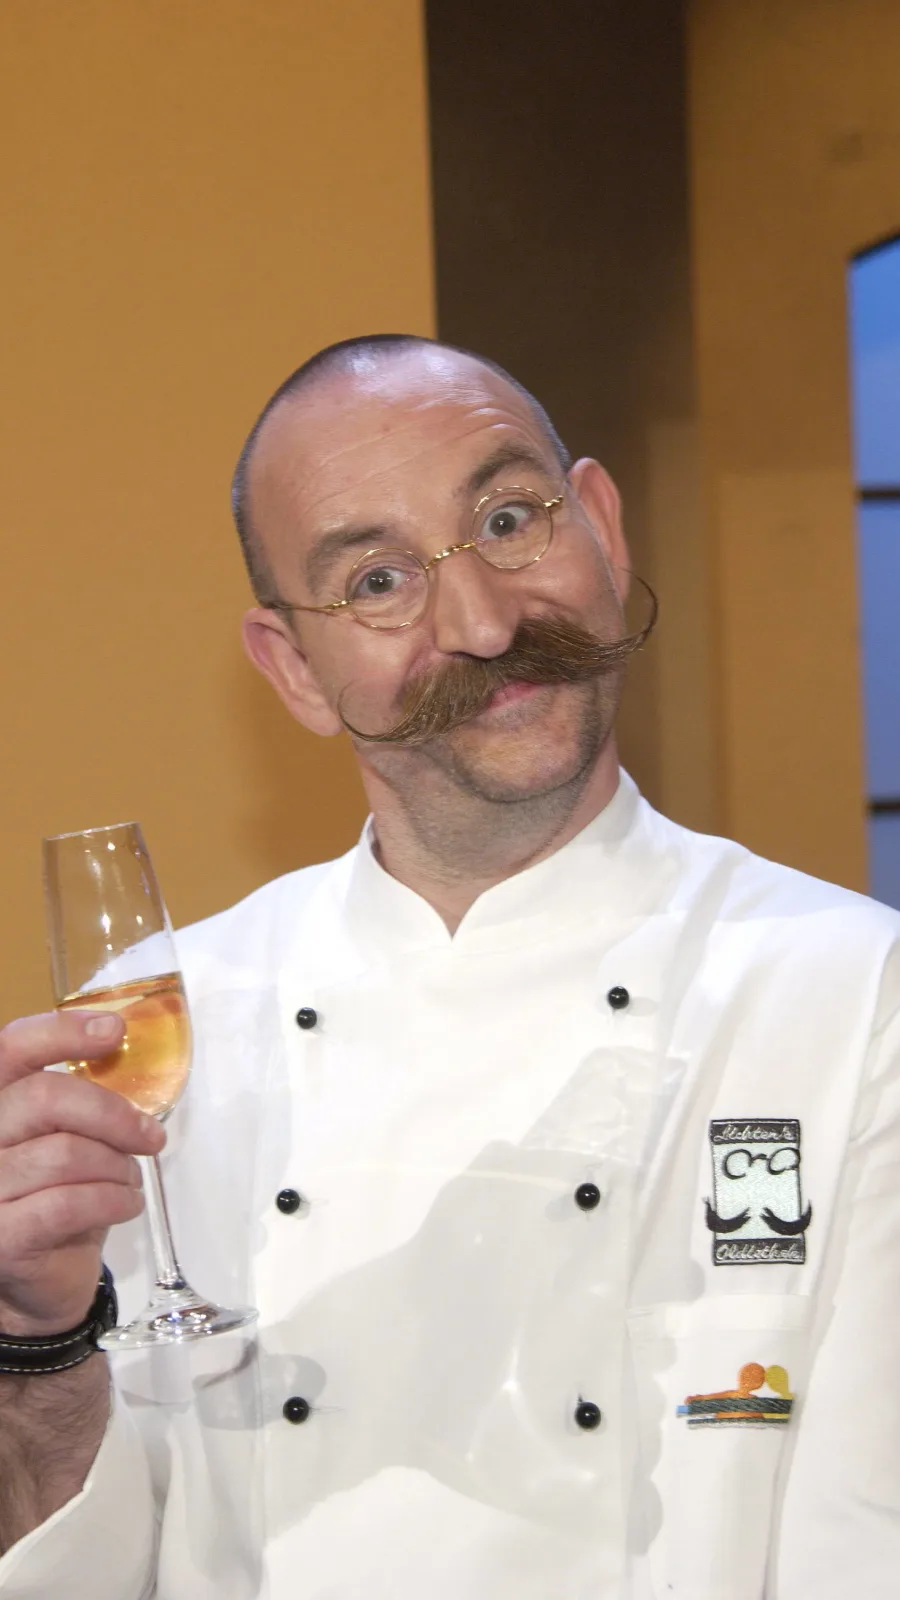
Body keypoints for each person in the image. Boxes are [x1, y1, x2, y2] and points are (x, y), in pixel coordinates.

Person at [1, 334, 899, 1600]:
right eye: (376, 582)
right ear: (295, 671)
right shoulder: (166, 1032)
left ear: (602, 527)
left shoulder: (852, 993)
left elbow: (867, 1536)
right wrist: (37, 1343)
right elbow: (84, 1563)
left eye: (509, 521)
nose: (482, 623)